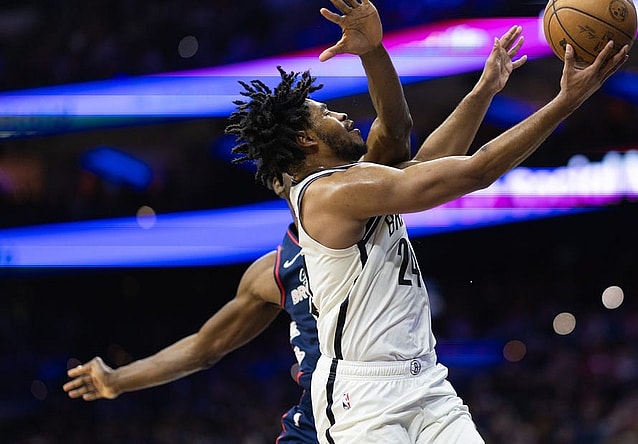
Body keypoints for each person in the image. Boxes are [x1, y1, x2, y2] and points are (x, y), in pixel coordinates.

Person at [62, 2, 528, 442]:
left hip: (385, 400)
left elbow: (408, 143)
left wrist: (449, 79)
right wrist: (118, 380)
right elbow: (205, 346)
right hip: (328, 418)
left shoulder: (355, 195)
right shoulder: (277, 267)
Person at [226, 19, 629, 442]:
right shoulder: (328, 193)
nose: (341, 114)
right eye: (326, 114)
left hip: (426, 380)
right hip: (363, 397)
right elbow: (476, 171)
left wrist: (484, 89)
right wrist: (566, 102)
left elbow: (426, 163)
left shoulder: (355, 183)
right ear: (306, 140)